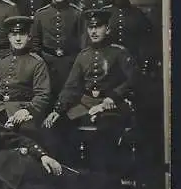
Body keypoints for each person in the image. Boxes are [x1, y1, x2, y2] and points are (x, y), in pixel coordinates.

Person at [43, 9, 138, 173]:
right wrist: (58, 109)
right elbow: (71, 86)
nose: (94, 31)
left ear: (107, 29)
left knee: (104, 134)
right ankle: (71, 175)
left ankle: (101, 182)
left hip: (111, 106)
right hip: (85, 104)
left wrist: (114, 97)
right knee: (58, 126)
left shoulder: (119, 52)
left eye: (99, 27)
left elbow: (134, 79)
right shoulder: (83, 55)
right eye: (91, 27)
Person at [0, 16, 52, 149]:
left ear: (29, 37)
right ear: (9, 37)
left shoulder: (37, 62)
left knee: (26, 132)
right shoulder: (2, 61)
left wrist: (27, 110)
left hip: (23, 110)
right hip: (0, 109)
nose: (18, 39)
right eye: (14, 34)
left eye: (22, 34)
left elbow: (43, 95)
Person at [31, 0, 85, 103]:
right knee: (47, 99)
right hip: (47, 63)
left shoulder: (77, 14)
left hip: (70, 64)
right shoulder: (41, 14)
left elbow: (82, 43)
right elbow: (35, 44)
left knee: (69, 100)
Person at [102, 0, 155, 69]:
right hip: (109, 66)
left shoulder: (139, 15)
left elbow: (146, 44)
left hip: (133, 65)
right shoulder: (104, 14)